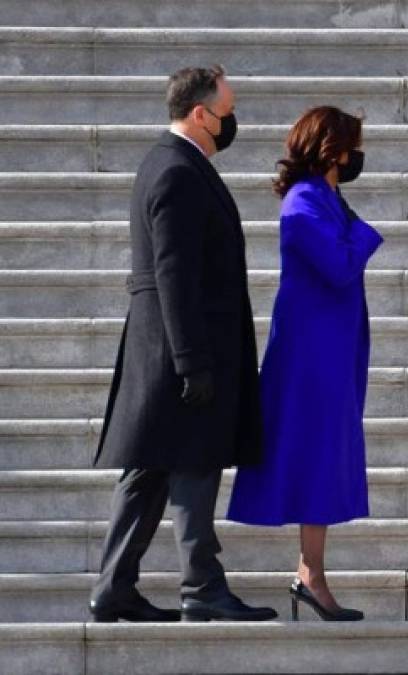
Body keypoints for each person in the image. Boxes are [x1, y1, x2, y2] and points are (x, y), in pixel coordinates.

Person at [90, 65, 277, 622]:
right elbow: (173, 273)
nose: (232, 122)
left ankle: (113, 587)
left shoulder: (170, 164)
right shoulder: (176, 170)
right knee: (195, 466)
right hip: (182, 350)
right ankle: (202, 588)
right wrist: (193, 361)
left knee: (148, 470)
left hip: (167, 348)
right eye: (227, 111)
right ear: (200, 113)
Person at [227, 106, 382, 622]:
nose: (358, 156)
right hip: (312, 359)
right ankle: (310, 576)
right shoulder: (303, 203)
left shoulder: (326, 197)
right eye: (352, 146)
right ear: (332, 149)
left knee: (323, 459)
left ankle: (309, 573)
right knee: (316, 459)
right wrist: (364, 233)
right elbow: (339, 266)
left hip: (330, 350)